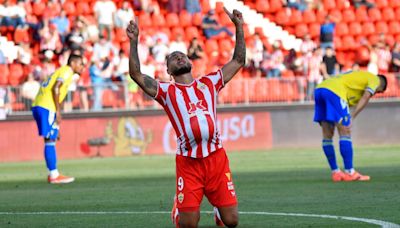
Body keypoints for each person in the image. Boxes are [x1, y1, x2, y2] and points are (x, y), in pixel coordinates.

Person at [126, 6, 245, 228]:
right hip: (189, 163)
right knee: (188, 225)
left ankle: (219, 211)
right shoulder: (166, 92)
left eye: (182, 55)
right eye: (173, 58)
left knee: (232, 221)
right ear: (169, 71)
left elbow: (238, 61)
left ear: (190, 62)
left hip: (216, 158)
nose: (179, 57)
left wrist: (239, 27)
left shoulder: (209, 82)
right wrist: (133, 42)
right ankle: (177, 208)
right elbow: (136, 75)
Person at [313, 71, 387, 182]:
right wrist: (352, 116)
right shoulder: (375, 79)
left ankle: (336, 172)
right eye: (378, 92)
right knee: (345, 131)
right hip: (335, 91)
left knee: (327, 134)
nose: (375, 94)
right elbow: (366, 96)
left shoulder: (358, 78)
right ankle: (350, 172)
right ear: (381, 86)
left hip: (320, 89)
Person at [31, 54, 84, 184]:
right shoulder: (67, 71)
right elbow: (56, 88)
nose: (82, 67)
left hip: (41, 105)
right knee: (50, 140)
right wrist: (58, 112)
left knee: (51, 138)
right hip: (46, 106)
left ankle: (53, 173)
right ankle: (54, 175)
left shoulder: (63, 71)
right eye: (80, 63)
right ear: (73, 63)